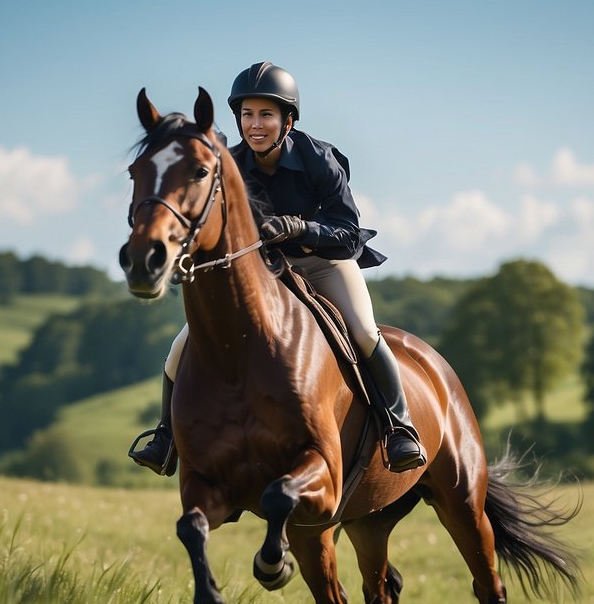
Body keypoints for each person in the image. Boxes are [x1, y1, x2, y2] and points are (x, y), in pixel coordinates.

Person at [129, 61, 426, 476]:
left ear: (287, 120)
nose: (256, 125)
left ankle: (399, 427)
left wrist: (299, 227)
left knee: (362, 330)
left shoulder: (319, 158)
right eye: (247, 114)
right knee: (184, 344)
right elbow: (211, 230)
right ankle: (165, 436)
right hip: (265, 272)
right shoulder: (228, 166)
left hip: (323, 263)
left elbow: (348, 231)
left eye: (266, 114)